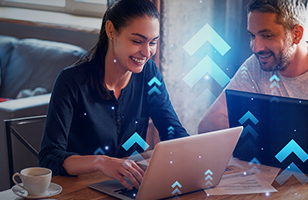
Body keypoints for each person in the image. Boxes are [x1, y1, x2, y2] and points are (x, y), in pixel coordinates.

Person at [39, 0, 188, 190]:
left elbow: (172, 131)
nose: (146, 52)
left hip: (130, 187)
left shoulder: (148, 73)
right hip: (79, 190)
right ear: (111, 31)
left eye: (153, 42)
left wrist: (196, 154)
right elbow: (49, 157)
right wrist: (101, 162)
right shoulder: (71, 81)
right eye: (137, 41)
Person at [198, 0, 308, 133]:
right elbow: (208, 124)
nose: (256, 48)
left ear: (296, 34)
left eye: (267, 36)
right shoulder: (255, 65)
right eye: (252, 36)